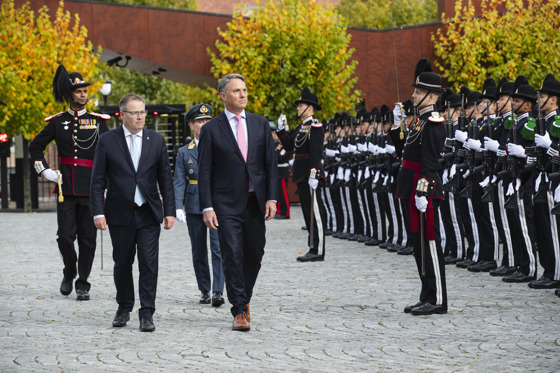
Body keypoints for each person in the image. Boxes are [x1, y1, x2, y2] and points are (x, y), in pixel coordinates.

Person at [198, 73, 278, 331]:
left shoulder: (260, 124)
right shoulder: (212, 129)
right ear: (223, 96)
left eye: (244, 90)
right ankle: (239, 310)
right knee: (232, 254)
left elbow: (270, 165)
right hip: (225, 203)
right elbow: (205, 171)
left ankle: (244, 297)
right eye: (236, 91)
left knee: (254, 253)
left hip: (256, 201)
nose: (243, 94)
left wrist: (272, 198)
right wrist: (207, 206)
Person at [90, 93, 175, 332]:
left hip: (148, 213)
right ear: (123, 115)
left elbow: (165, 179)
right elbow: (97, 180)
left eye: (143, 112)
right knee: (122, 263)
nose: (140, 117)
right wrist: (98, 212)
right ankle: (124, 307)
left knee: (149, 263)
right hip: (119, 213)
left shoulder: (156, 140)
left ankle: (147, 312)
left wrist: (170, 211)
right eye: (135, 112)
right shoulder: (108, 140)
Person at [29, 64, 109, 301]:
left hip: (92, 187)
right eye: (79, 91)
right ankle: (69, 271)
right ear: (70, 94)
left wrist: (108, 182)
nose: (83, 94)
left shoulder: (97, 122)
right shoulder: (58, 122)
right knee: (65, 236)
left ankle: (83, 282)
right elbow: (35, 146)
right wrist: (44, 171)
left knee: (88, 238)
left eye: (85, 91)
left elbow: (110, 152)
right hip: (65, 187)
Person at [396, 60, 447, 316]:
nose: (413, 95)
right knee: (418, 245)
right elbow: (403, 151)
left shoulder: (434, 122)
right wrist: (397, 128)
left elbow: (430, 162)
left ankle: (437, 298)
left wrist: (423, 191)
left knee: (430, 243)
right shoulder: (419, 121)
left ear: (431, 95)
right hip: (412, 188)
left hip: (423, 190)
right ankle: (425, 294)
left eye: (418, 91)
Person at [174, 104, 225, 307]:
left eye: (207, 121)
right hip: (194, 204)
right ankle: (204, 288)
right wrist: (178, 206)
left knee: (218, 247)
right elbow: (178, 180)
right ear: (191, 125)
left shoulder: (219, 146)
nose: (204, 125)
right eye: (200, 121)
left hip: (216, 203)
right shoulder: (185, 152)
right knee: (198, 249)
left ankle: (218, 290)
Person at [276, 87, 326, 262]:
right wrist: (281, 130)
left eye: (300, 105)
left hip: (309, 174)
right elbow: (290, 146)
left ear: (310, 108)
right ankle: (312, 246)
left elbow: (316, 153)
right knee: (307, 212)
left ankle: (318, 250)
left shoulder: (315, 126)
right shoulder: (301, 127)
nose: (297, 108)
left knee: (315, 212)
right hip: (301, 174)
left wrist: (314, 173)